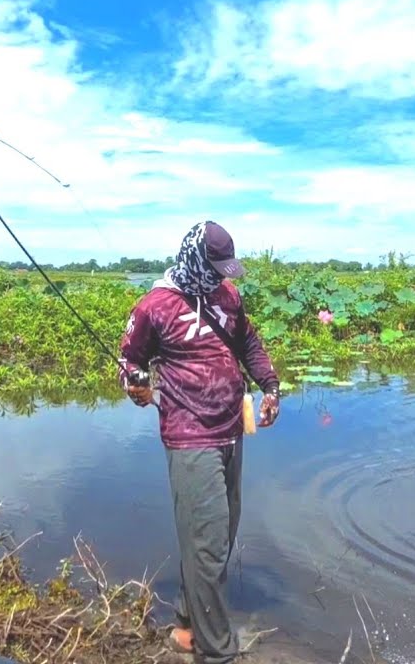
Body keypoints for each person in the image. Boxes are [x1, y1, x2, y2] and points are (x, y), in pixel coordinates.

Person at [118, 220, 281, 664]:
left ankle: (188, 624)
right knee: (207, 541)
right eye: (215, 268)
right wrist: (135, 383)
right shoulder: (155, 306)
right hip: (190, 436)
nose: (222, 277)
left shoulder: (228, 296)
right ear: (193, 258)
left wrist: (270, 386)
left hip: (231, 428)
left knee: (221, 533)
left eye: (226, 269)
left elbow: (247, 341)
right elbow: (129, 360)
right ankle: (218, 651)